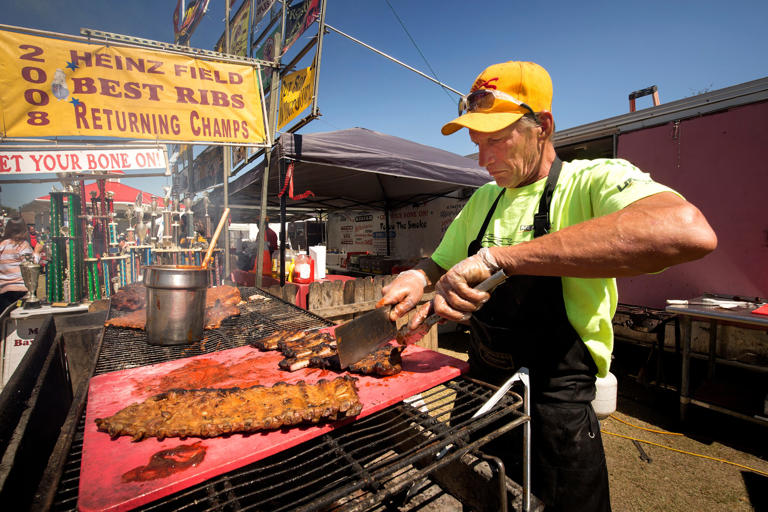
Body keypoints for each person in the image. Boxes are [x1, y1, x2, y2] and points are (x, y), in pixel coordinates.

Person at [377, 61, 717, 511]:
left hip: (555, 411)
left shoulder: (591, 181)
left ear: (544, 127)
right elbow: (439, 262)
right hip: (481, 391)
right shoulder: (484, 198)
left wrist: (501, 258)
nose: (483, 159)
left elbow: (687, 231)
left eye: (497, 140)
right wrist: (418, 275)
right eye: (477, 144)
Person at [0, 217, 44, 311]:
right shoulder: (22, 245)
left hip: (3, 290)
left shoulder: (2, 245)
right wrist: (37, 252)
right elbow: (31, 266)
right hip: (20, 290)